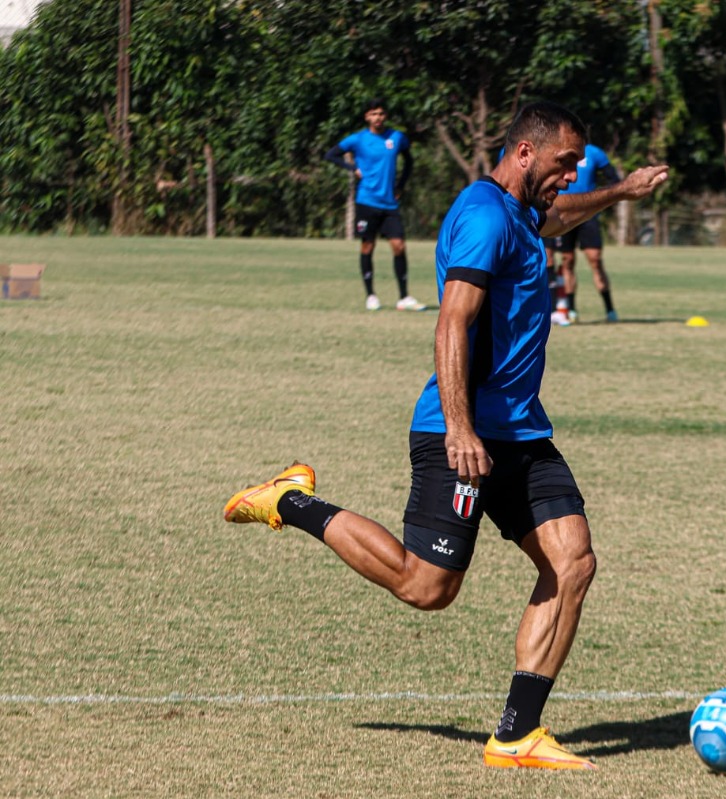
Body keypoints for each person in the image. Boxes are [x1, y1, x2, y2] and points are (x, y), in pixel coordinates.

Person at [224, 102, 669, 770]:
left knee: (572, 559)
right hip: (457, 431)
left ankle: (517, 733)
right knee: (426, 586)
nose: (572, 175)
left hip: (519, 432)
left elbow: (562, 216)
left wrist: (621, 191)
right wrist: (461, 427)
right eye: (565, 163)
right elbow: (452, 323)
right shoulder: (486, 216)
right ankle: (289, 499)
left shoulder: (519, 213)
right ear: (525, 152)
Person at [324, 98, 425, 312]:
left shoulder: (396, 137)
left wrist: (401, 185)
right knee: (367, 246)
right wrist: (352, 168)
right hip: (366, 201)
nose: (377, 118)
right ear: (366, 117)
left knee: (399, 246)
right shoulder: (358, 139)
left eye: (380, 113)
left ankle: (404, 297)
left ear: (385, 116)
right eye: (373, 114)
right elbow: (330, 155)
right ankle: (371, 295)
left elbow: (409, 161)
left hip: (389, 203)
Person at [550, 143, 622, 325]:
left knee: (595, 260)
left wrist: (603, 200)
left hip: (589, 216)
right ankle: (572, 310)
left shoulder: (594, 152)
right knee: (567, 261)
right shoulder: (558, 151)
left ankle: (610, 310)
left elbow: (613, 178)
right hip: (564, 214)